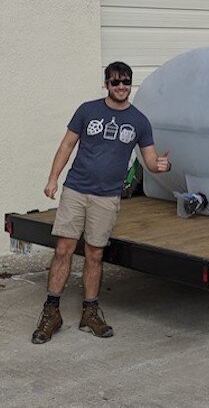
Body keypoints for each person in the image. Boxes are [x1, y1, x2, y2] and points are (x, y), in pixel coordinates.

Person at [32, 61, 171, 344]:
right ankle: (51, 312)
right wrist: (52, 179)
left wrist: (163, 166)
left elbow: (150, 162)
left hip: (107, 197)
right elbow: (67, 145)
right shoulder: (88, 110)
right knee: (64, 249)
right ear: (106, 84)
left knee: (95, 254)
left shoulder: (140, 121)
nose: (121, 87)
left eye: (126, 82)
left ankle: (90, 313)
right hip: (76, 190)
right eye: (115, 82)